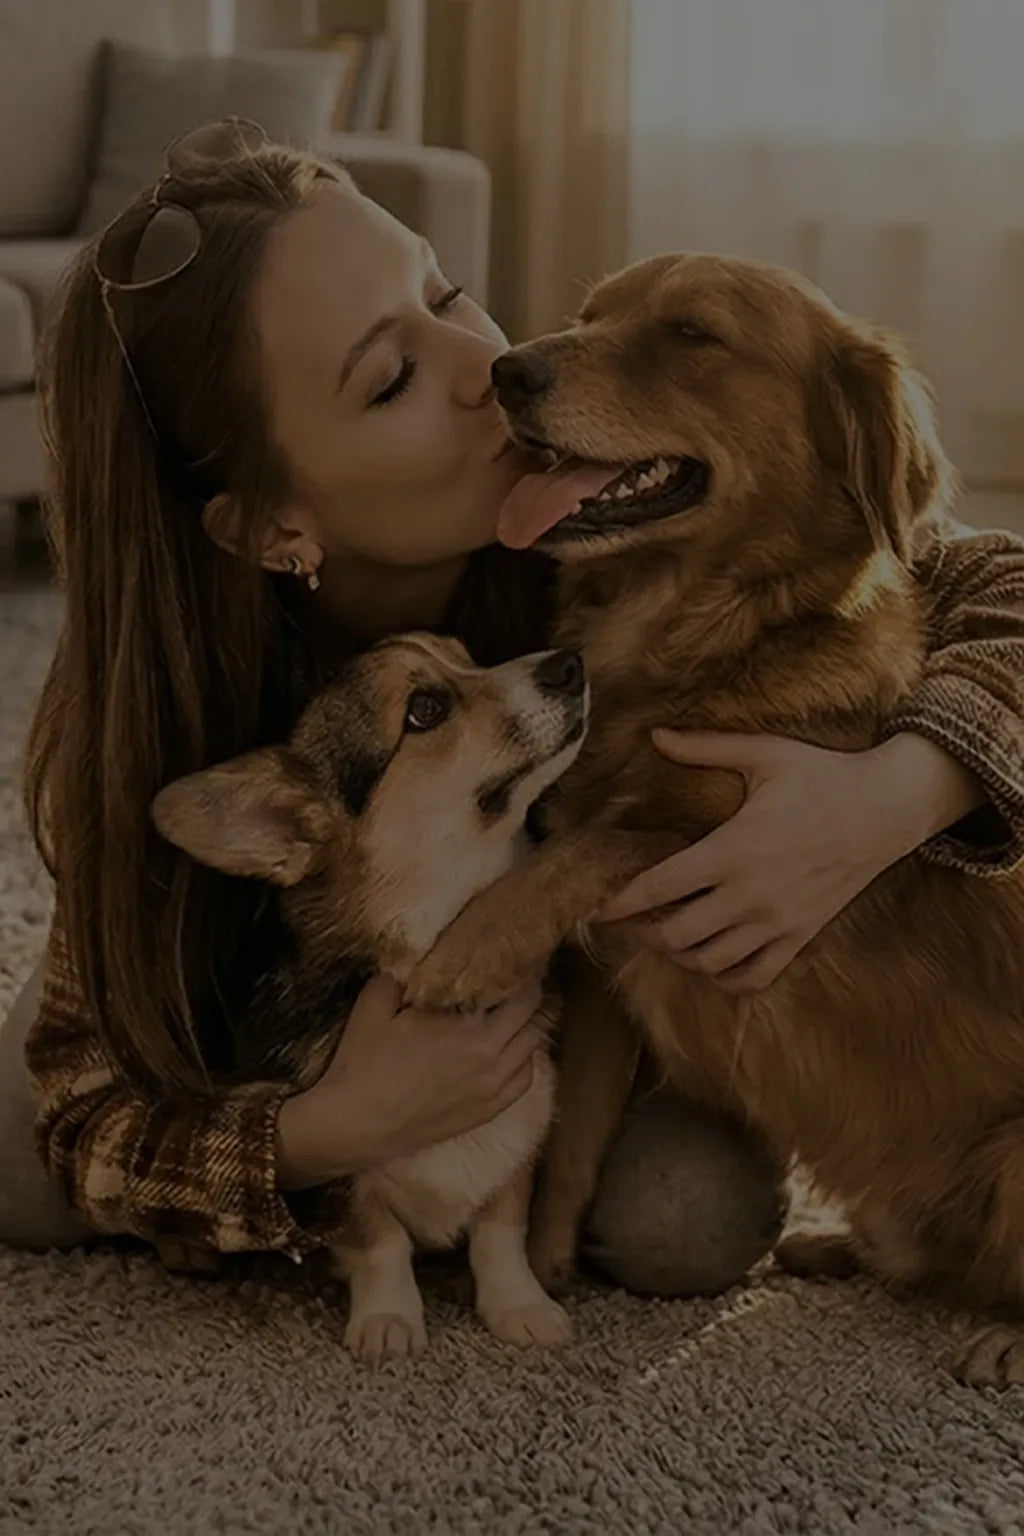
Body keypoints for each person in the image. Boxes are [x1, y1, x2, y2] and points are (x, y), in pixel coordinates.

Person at [3, 121, 1024, 1295]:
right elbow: (89, 1120)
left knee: (680, 1220)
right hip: (295, 974)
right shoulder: (177, 689)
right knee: (26, 1166)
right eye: (389, 380)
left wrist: (899, 791)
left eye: (450, 293)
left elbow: (967, 566)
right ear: (274, 522)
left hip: (586, 987)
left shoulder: (613, 520)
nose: (488, 365)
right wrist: (328, 1131)